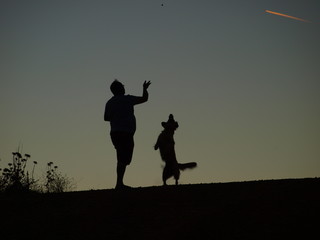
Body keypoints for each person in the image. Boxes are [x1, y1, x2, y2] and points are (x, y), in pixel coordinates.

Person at [104, 79, 151, 189]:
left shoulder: (110, 102)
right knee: (123, 158)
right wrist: (144, 89)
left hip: (115, 133)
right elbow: (144, 99)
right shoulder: (127, 99)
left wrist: (116, 115)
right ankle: (119, 183)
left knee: (121, 157)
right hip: (125, 133)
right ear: (120, 88)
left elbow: (106, 118)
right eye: (123, 86)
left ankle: (119, 183)